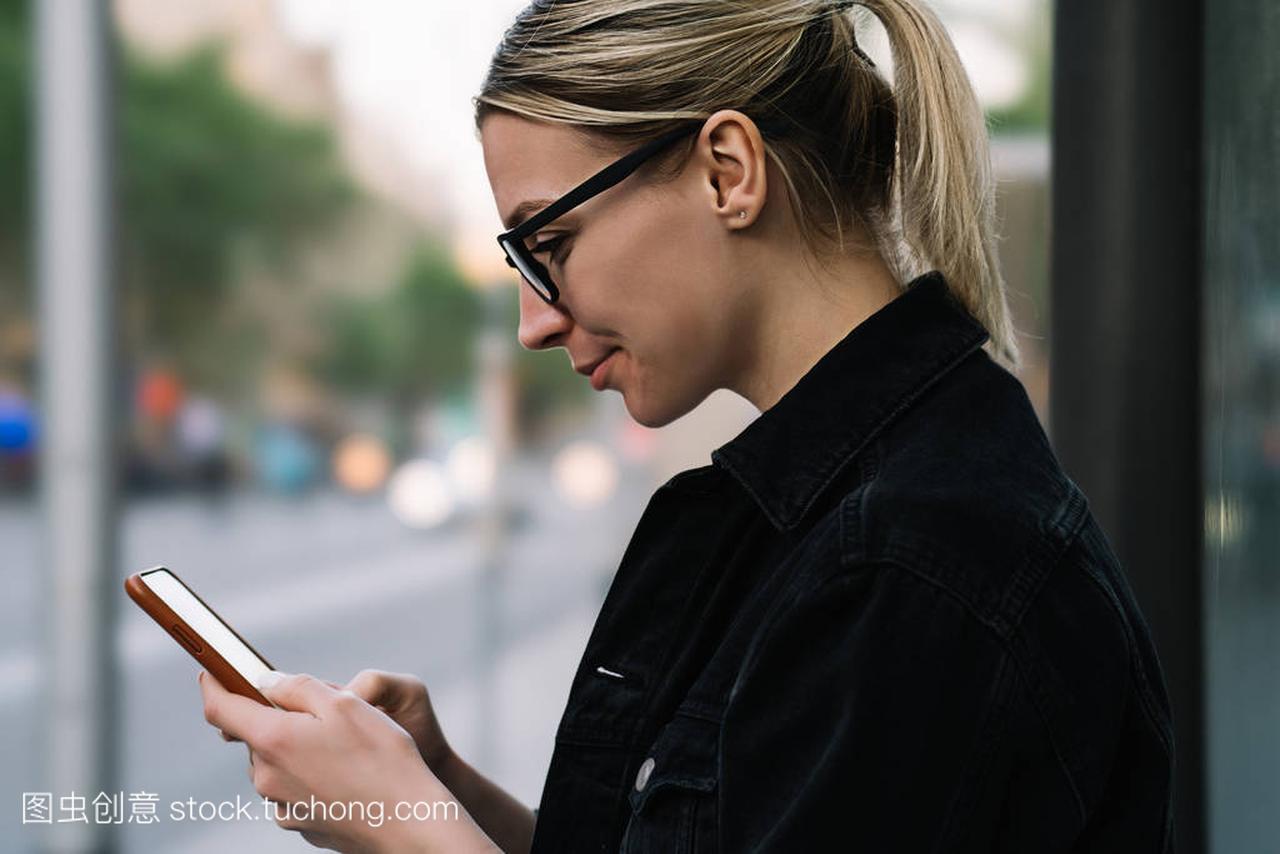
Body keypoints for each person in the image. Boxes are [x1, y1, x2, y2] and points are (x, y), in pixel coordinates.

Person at [199, 0, 1177, 851]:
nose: (533, 318)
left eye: (549, 243)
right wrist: (444, 787)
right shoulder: (819, 521)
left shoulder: (909, 562)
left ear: (726, 170)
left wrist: (401, 823)